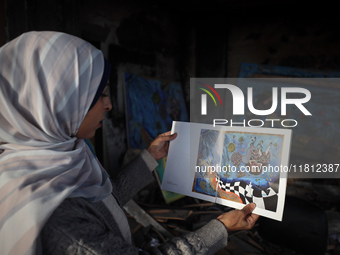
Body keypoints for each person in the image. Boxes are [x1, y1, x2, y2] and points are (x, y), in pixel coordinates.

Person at [0, 31, 259, 255]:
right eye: (99, 95)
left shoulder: (56, 156)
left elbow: (101, 204)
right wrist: (221, 227)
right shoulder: (57, 219)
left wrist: (149, 157)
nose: (109, 104)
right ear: (55, 102)